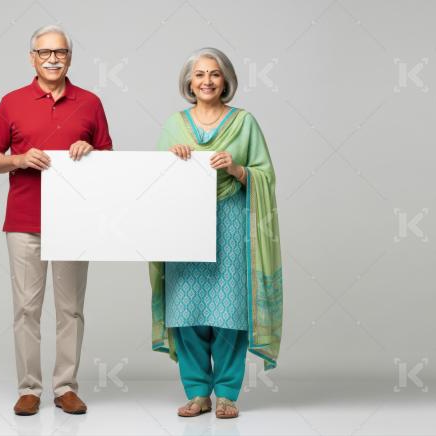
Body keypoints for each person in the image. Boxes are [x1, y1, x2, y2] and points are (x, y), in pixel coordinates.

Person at [0, 24, 113, 416]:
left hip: (76, 221)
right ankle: (29, 388)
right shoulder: (11, 102)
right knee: (26, 308)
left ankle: (66, 386)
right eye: (44, 52)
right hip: (25, 219)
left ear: (69, 57)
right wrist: (19, 159)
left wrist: (90, 150)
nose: (52, 58)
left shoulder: (89, 102)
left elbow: (110, 159)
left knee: (71, 309)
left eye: (60, 52)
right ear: (32, 58)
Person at [148, 47, 283, 419]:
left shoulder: (245, 123)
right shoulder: (174, 125)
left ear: (226, 81)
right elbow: (152, 184)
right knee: (186, 307)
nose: (207, 81)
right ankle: (196, 393)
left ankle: (226, 393)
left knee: (230, 310)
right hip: (183, 226)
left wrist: (239, 169)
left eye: (215, 74)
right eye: (200, 75)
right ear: (188, 82)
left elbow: (266, 175)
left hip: (231, 222)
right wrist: (171, 161)